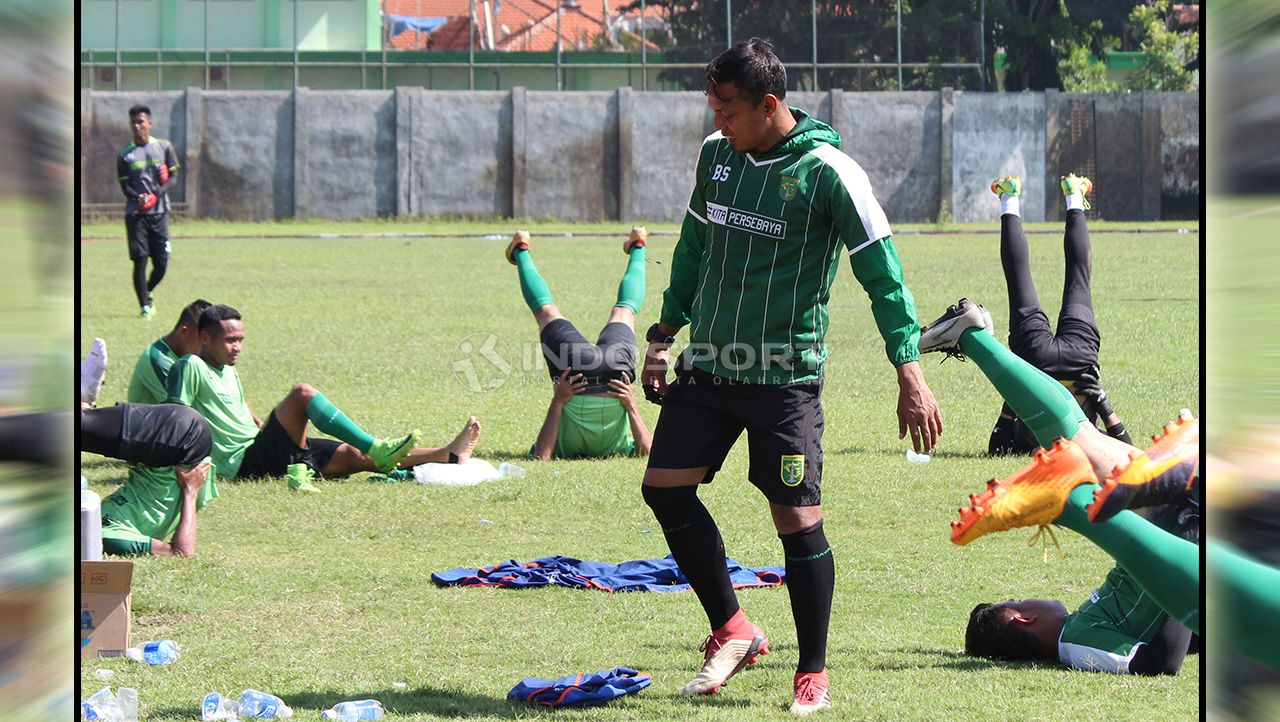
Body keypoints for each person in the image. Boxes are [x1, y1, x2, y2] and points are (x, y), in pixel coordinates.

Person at [637, 39, 942, 715]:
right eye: (712, 106)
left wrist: (910, 370)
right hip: (711, 365)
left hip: (783, 380)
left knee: (797, 519)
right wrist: (663, 333)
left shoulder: (827, 171)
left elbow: (883, 274)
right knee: (663, 489)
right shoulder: (717, 159)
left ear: (769, 104)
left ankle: (812, 670)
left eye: (728, 108)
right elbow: (693, 247)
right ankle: (734, 627)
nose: (717, 121)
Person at [919, 297, 1280, 672]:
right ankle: (976, 340)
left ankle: (1081, 496)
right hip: (1182, 528)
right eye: (1023, 600)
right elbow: (1157, 663)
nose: (1033, 597)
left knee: (1080, 440)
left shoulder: (1085, 624)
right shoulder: (1074, 643)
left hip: (1182, 532)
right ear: (1022, 618)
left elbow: (1171, 644)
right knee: (1080, 440)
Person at [166, 304, 481, 491]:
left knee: (354, 456)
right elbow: (175, 418)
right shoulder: (189, 365)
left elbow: (228, 407)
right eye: (230, 340)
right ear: (205, 338)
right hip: (242, 464)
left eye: (241, 340)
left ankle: (446, 455)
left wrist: (256, 421)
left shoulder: (226, 369)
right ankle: (377, 447)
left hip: (262, 449)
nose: (238, 347)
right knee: (302, 395)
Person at [986, 173, 1132, 455]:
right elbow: (997, 449)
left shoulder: (1088, 445)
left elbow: (1127, 449)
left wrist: (1102, 400)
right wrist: (1018, 390)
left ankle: (1074, 193)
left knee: (1078, 278)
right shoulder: (1057, 447)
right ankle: (1009, 196)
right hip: (1036, 363)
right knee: (1019, 281)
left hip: (1079, 362)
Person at [505, 227, 652, 460]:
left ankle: (638, 245)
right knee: (546, 311)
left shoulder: (617, 449)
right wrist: (630, 403)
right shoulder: (578, 451)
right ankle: (521, 248)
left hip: (608, 377)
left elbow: (540, 458)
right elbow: (648, 453)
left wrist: (559, 399)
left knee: (625, 309)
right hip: (591, 378)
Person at [118, 104, 180, 319]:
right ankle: (144, 306)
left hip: (160, 213)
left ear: (149, 124)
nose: (137, 126)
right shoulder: (125, 156)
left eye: (140, 122)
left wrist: (156, 193)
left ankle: (148, 290)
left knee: (161, 263)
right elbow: (125, 187)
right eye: (133, 122)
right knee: (140, 261)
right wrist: (138, 198)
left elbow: (173, 176)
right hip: (136, 216)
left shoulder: (164, 148)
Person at [128, 298, 212, 404]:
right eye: (202, 339)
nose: (208, 346)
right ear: (184, 332)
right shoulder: (159, 361)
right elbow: (189, 411)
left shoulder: (191, 358)